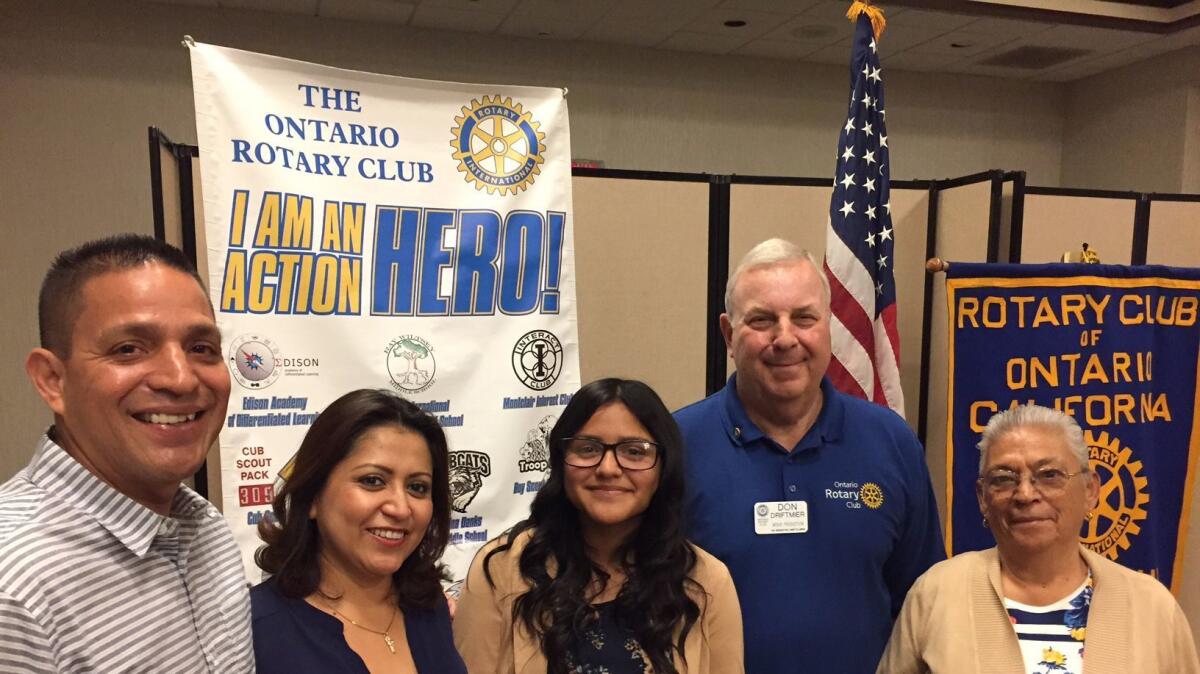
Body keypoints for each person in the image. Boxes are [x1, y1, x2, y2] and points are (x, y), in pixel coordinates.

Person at [674, 238, 944, 674]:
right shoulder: (674, 446)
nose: (785, 339)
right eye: (762, 320)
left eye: (804, 318)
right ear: (728, 334)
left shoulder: (891, 442)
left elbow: (925, 602)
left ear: (828, 328)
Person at [0, 234, 253, 671]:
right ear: (52, 380)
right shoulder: (14, 589)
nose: (180, 378)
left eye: (201, 349)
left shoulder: (206, 529)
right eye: (128, 349)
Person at [877, 404, 1200, 674]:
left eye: (1049, 475)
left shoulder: (1150, 606)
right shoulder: (936, 593)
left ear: (1090, 490)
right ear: (982, 497)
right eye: (1004, 478)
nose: (1026, 494)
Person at [454, 378, 744, 674]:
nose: (608, 469)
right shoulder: (501, 570)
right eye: (588, 449)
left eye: (634, 451)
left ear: (663, 467)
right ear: (560, 461)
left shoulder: (706, 583)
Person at [251, 388, 466, 673]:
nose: (401, 509)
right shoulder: (256, 631)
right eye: (373, 481)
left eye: (417, 487)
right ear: (313, 495)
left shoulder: (430, 606)